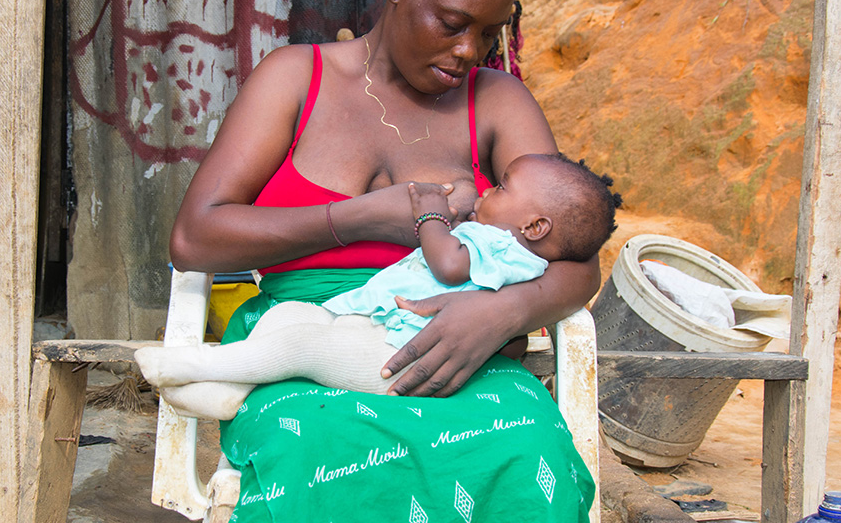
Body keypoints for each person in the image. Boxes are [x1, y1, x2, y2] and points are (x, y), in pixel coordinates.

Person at [167, 0, 599, 522]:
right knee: (318, 450)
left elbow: (577, 259)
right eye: (452, 24)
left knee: (527, 449)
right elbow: (194, 237)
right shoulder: (296, 78)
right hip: (306, 344)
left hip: (455, 351)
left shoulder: (499, 102)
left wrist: (502, 312)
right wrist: (358, 219)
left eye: (489, 32)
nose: (469, 51)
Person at [137, 152, 621, 421]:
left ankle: (196, 363)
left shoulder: (507, 252)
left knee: (303, 345)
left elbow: (450, 267)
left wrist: (430, 213)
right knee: (291, 318)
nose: (489, 190)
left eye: (503, 187)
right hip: (369, 318)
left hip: (398, 351)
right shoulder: (505, 242)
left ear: (536, 227)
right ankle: (231, 393)